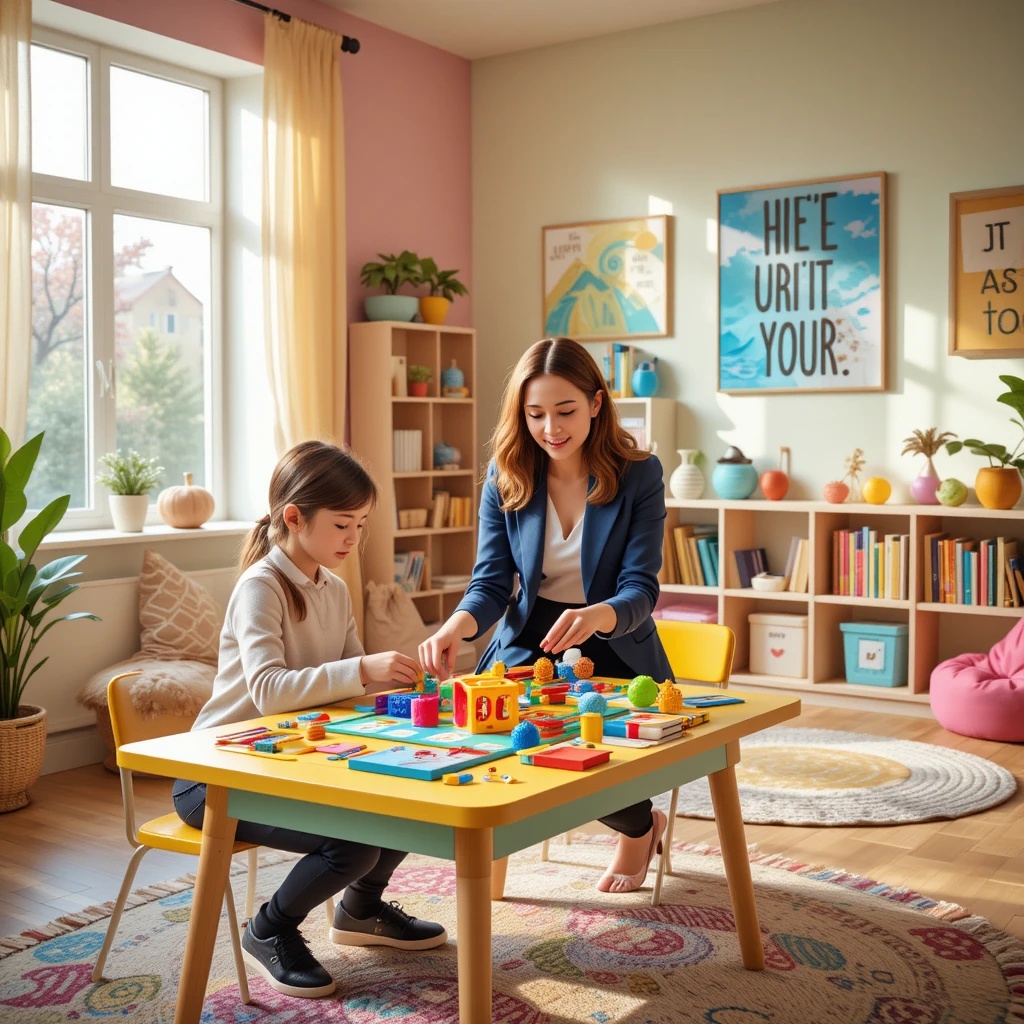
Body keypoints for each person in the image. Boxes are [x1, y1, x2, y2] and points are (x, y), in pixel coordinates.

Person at [173, 440, 446, 1000]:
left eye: (361, 525)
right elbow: (270, 692)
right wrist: (362, 669)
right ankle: (269, 929)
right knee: (356, 844)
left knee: (404, 802)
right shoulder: (261, 588)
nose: (354, 539)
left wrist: (400, 692)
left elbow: (346, 689)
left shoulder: (333, 587)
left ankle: (360, 912)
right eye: (344, 524)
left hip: (290, 761)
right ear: (294, 518)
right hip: (218, 777)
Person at [419, 336, 673, 895]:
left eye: (566, 411)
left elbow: (640, 589)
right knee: (499, 736)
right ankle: (629, 822)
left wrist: (599, 614)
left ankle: (635, 829)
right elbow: (491, 583)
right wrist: (454, 627)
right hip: (530, 635)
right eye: (535, 414)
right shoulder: (506, 474)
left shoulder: (638, 475)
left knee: (594, 748)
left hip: (613, 635)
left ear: (596, 404)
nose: (551, 428)